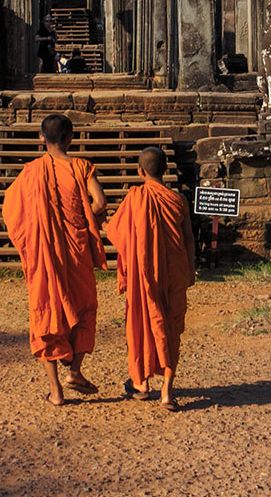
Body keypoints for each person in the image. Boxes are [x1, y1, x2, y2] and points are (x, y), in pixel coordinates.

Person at [1, 112, 108, 406]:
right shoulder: (81, 166)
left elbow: (10, 211)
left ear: (41, 139)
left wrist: (33, 236)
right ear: (70, 139)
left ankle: (56, 392)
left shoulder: (30, 172)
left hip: (44, 255)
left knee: (46, 314)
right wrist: (89, 219)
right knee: (85, 308)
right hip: (77, 252)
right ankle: (75, 370)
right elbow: (100, 202)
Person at [104, 145, 197, 411]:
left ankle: (142, 383)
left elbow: (118, 233)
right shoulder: (178, 200)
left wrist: (100, 224)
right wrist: (190, 271)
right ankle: (167, 391)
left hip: (145, 275)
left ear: (140, 171)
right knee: (171, 328)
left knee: (142, 324)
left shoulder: (135, 198)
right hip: (175, 273)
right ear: (166, 170)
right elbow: (189, 239)